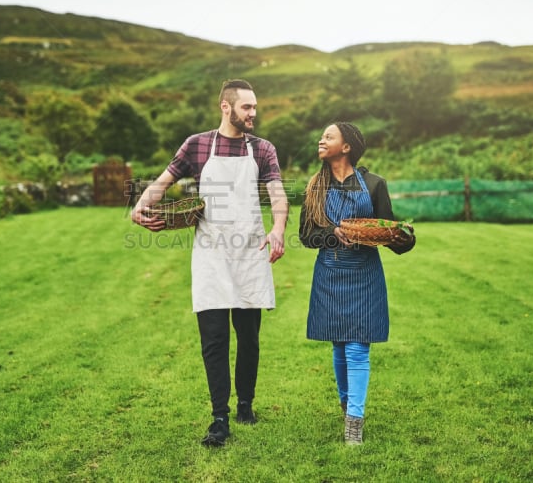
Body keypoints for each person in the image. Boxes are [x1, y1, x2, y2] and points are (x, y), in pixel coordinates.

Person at [131, 79, 288, 447]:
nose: (253, 113)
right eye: (246, 107)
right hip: (211, 254)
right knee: (214, 339)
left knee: (248, 337)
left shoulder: (263, 149)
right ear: (225, 107)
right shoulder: (197, 144)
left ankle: (245, 402)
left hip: (249, 250)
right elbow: (164, 181)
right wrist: (140, 205)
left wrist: (278, 228)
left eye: (254, 107)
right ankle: (220, 417)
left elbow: (277, 194)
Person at [299, 122, 415, 445]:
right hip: (330, 272)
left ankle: (354, 422)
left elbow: (387, 230)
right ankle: (346, 404)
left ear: (346, 146)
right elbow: (306, 236)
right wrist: (331, 235)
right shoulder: (314, 188)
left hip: (364, 274)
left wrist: (404, 238)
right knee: (338, 344)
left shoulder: (374, 184)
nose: (321, 140)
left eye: (329, 136)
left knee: (357, 348)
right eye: (321, 136)